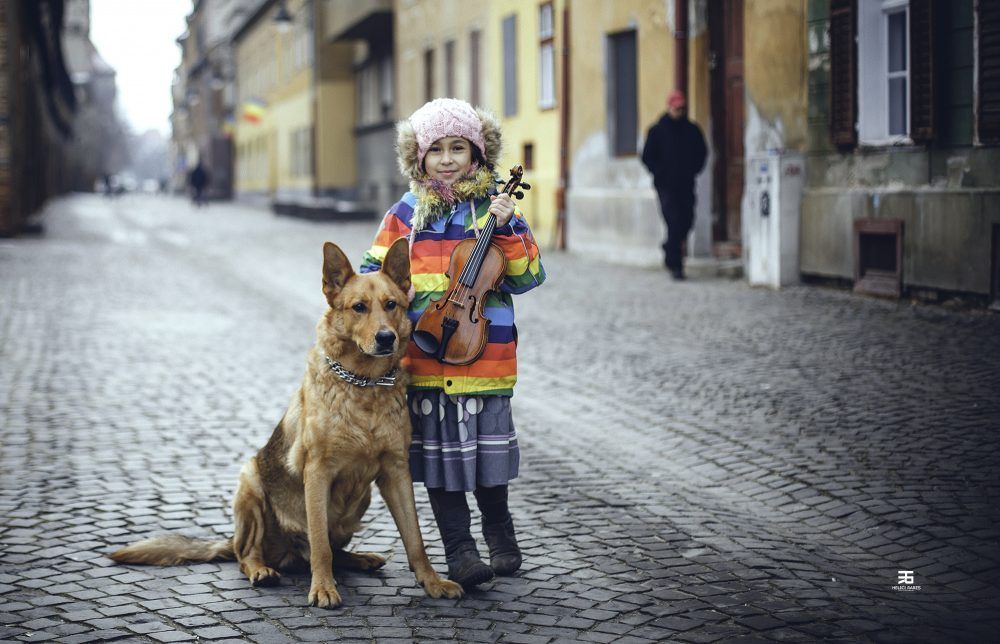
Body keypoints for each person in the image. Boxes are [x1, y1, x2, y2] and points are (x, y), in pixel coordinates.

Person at [360, 98, 545, 588]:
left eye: (458, 148)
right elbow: (370, 276)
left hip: (485, 355)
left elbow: (528, 276)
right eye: (436, 149)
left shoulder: (496, 210)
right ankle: (459, 549)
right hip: (424, 356)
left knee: (488, 458)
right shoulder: (403, 215)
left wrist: (506, 230)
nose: (447, 158)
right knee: (442, 460)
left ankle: (500, 533)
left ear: (477, 154)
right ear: (418, 158)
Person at [641, 90, 708, 280]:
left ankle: (669, 247)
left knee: (687, 220)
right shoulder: (657, 130)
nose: (679, 111)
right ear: (669, 107)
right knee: (674, 220)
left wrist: (694, 169)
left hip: (686, 183)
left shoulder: (692, 130)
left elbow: (702, 152)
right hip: (665, 186)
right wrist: (659, 172)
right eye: (676, 108)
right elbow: (647, 156)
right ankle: (676, 265)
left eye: (682, 108)